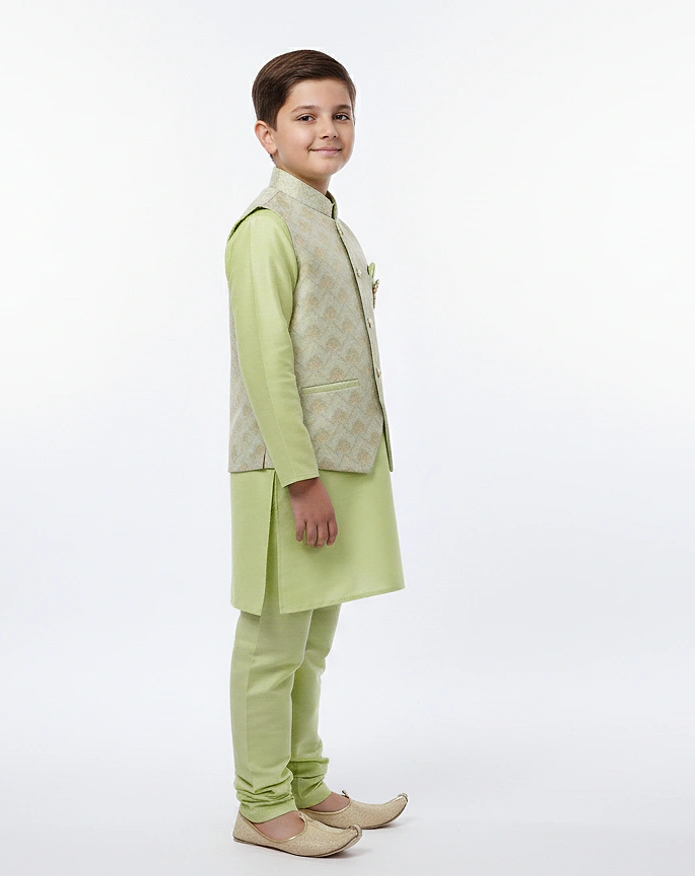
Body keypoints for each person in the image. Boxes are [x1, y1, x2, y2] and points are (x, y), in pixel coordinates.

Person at [225, 49, 410, 858]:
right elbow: (266, 364)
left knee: (312, 644)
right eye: (305, 116)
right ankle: (262, 806)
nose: (327, 129)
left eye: (341, 115)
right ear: (267, 135)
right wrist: (301, 480)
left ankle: (305, 785)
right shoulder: (265, 230)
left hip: (343, 459)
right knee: (274, 642)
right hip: (289, 470)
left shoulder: (329, 219)